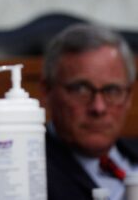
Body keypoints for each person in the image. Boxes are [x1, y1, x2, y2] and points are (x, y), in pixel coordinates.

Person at [43, 23, 138, 200]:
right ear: (47, 91)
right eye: (81, 89)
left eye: (112, 90)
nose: (98, 108)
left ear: (129, 96)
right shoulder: (27, 172)